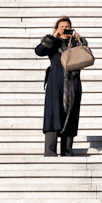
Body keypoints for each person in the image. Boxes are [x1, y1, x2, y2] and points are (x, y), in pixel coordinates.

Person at [34, 17, 87, 157]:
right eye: (61, 26)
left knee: (71, 114)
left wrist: (79, 41)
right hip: (55, 83)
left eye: (67, 26)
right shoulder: (53, 42)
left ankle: (67, 151)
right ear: (57, 28)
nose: (64, 29)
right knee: (53, 114)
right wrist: (53, 37)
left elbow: (86, 57)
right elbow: (39, 51)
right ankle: (50, 151)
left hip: (72, 83)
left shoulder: (75, 43)